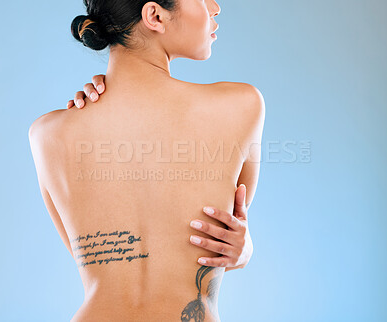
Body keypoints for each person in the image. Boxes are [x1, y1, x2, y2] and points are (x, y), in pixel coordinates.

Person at [28, 0, 265, 321]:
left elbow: (93, 263)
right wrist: (243, 251)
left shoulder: (47, 132)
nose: (215, 6)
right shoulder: (241, 105)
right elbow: (233, 228)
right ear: (154, 15)